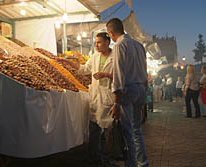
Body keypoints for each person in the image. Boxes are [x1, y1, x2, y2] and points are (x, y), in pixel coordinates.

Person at [56, 32, 114, 166]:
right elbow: (84, 69)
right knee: (93, 129)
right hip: (95, 96)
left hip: (108, 96)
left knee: (107, 131)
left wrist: (106, 75)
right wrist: (67, 62)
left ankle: (106, 158)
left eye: (99, 42)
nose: (96, 45)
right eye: (95, 43)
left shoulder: (116, 57)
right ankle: (94, 158)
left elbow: (122, 76)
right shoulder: (94, 57)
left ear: (107, 42)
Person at [106, 18, 149, 167]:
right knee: (137, 130)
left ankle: (131, 164)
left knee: (128, 131)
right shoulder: (139, 45)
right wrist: (145, 89)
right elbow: (145, 70)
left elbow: (118, 74)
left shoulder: (119, 45)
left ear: (111, 33)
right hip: (141, 88)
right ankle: (143, 163)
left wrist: (116, 102)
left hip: (128, 90)